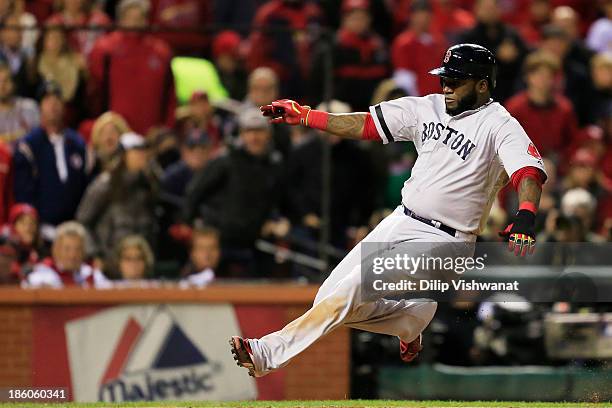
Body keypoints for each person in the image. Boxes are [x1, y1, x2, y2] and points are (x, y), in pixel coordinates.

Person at [230, 44, 547, 377]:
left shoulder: (499, 125)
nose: (447, 86)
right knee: (330, 296)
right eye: (445, 78)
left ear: (482, 84)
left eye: (457, 80)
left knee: (354, 289)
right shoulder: (427, 107)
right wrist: (308, 116)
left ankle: (266, 352)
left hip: (447, 239)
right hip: (401, 219)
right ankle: (411, 320)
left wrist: (525, 215)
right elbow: (365, 124)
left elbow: (528, 172)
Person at [184, 108, 287, 276]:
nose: (254, 137)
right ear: (241, 134)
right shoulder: (226, 160)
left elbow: (279, 199)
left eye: (259, 131)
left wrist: (276, 220)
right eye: (249, 131)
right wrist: (193, 225)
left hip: (255, 241)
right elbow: (195, 191)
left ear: (268, 134)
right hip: (221, 242)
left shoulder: (274, 164)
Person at [88, 0, 176, 135]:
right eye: (130, 17)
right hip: (114, 133)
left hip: (151, 134)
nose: (135, 22)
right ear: (121, 19)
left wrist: (166, 128)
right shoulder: (104, 49)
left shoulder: (161, 51)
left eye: (140, 17)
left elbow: (170, 94)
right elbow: (94, 93)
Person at [13, 81, 89, 234]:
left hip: (74, 228)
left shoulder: (77, 143)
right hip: (41, 229)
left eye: (57, 100)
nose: (53, 105)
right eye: (47, 100)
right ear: (40, 106)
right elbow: (23, 194)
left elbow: (84, 186)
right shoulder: (29, 146)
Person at [76, 132, 160, 259]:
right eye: (137, 152)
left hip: (139, 262)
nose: (142, 156)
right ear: (123, 156)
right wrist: (95, 255)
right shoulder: (105, 185)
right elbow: (83, 222)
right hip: (109, 259)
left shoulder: (148, 185)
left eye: (144, 152)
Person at [310, 0, 388, 111]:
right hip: (340, 105)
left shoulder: (377, 46)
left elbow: (385, 77)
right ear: (344, 20)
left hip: (371, 106)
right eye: (354, 18)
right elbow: (317, 84)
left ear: (370, 19)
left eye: (363, 17)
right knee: (337, 110)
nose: (359, 22)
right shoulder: (331, 46)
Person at [504, 51, 581, 160]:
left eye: (548, 75)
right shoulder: (515, 107)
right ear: (528, 77)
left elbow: (572, 142)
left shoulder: (565, 108)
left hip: (557, 165)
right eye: (538, 74)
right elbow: (506, 141)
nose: (543, 79)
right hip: (522, 162)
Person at [25, 221, 110, 288]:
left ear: (84, 252)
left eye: (78, 249)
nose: (72, 255)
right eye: (67, 249)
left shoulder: (92, 274)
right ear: (56, 250)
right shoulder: (42, 274)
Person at [391, 0, 447, 97]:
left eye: (426, 16)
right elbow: (403, 77)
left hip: (439, 97)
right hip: (416, 99)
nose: (422, 20)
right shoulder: (404, 42)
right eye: (419, 16)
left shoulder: (439, 41)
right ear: (411, 17)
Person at [45, 0, 112, 56]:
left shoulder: (100, 19)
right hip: (67, 67)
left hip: (98, 65)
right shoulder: (54, 22)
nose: (74, 1)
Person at [0, 62, 39, 144]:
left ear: (13, 84)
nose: (2, 86)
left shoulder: (29, 107)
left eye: (6, 80)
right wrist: (19, 135)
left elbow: (39, 136)